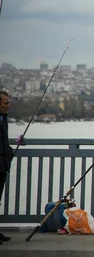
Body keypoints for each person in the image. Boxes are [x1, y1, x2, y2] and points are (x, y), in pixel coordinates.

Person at [0, 91, 13, 245]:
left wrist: (8, 153)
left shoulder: (4, 119)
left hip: (2, 164)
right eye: (6, 103)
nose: (9, 106)